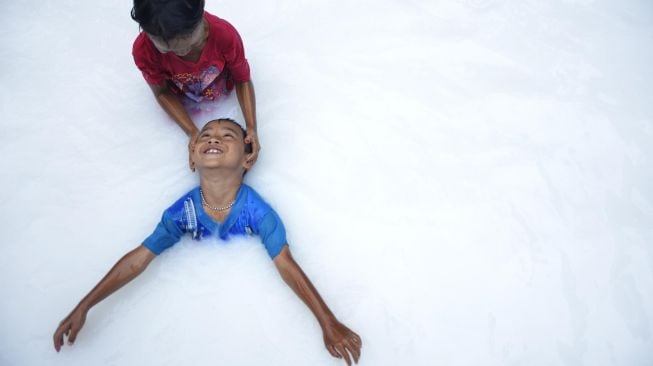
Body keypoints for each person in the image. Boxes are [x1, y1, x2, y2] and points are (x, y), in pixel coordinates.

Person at [52, 119, 362, 365]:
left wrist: (328, 321)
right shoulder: (182, 213)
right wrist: (85, 305)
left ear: (248, 158)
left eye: (228, 135)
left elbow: (287, 267)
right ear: (192, 159)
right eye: (205, 135)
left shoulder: (259, 212)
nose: (213, 138)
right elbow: (138, 260)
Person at [131, 0, 261, 166]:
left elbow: (242, 79)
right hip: (184, 103)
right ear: (147, 33)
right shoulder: (144, 51)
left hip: (222, 91)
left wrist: (251, 127)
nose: (182, 53)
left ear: (200, 16)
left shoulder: (224, 36)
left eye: (191, 44)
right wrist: (192, 132)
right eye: (168, 49)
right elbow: (162, 92)